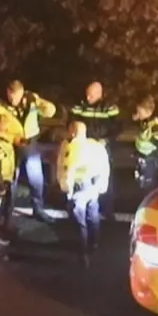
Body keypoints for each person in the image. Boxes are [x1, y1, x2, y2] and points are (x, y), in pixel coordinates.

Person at [0, 80, 56, 256]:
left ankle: (38, 209)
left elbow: (51, 111)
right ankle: (5, 224)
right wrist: (12, 139)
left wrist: (38, 102)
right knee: (9, 187)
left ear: (22, 92)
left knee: (36, 179)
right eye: (10, 95)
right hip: (11, 147)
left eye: (16, 95)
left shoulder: (31, 100)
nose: (13, 99)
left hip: (30, 144)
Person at [58, 119, 111, 266]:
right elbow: (104, 166)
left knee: (80, 222)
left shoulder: (72, 148)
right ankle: (94, 243)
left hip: (79, 188)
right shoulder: (95, 145)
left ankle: (83, 253)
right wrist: (102, 185)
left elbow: (69, 171)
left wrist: (67, 191)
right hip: (93, 186)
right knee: (93, 215)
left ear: (72, 132)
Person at [68, 81, 121, 219]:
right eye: (87, 95)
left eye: (91, 96)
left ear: (100, 94)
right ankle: (77, 208)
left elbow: (117, 127)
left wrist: (106, 140)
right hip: (83, 146)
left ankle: (107, 210)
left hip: (102, 146)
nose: (88, 98)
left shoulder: (109, 108)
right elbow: (71, 122)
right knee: (81, 177)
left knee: (103, 178)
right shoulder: (80, 106)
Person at [131, 96, 158, 197]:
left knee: (149, 186)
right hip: (142, 158)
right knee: (141, 183)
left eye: (140, 112)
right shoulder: (144, 122)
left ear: (147, 111)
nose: (138, 114)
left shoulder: (154, 126)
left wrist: (150, 139)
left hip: (149, 160)